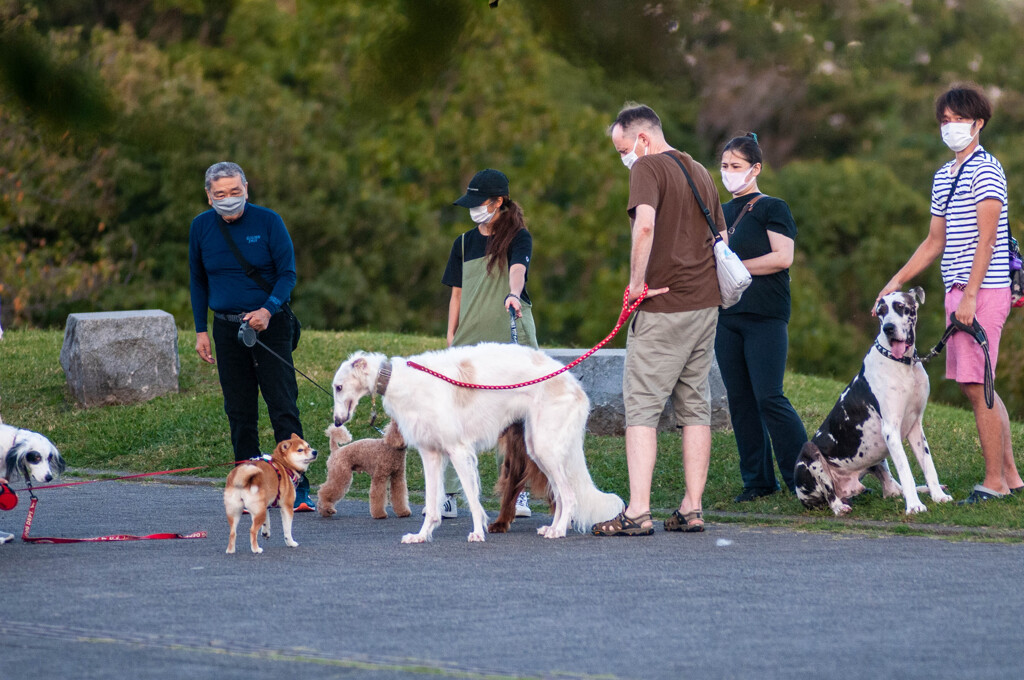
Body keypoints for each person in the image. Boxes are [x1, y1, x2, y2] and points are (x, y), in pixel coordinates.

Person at [876, 83, 1023, 504]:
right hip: (956, 289)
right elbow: (933, 242)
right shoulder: (944, 175)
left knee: (978, 385)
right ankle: (1010, 477)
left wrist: (973, 295)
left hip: (983, 290)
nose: (951, 127)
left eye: (959, 120)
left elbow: (988, 239)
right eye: (945, 120)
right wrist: (896, 282)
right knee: (975, 385)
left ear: (978, 123)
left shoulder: (987, 170)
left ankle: (994, 481)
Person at [591, 103, 724, 536]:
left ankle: (638, 510)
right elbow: (721, 236)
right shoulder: (700, 170)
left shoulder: (647, 169)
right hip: (705, 304)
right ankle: (692, 507)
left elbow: (643, 227)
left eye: (623, 148)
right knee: (695, 406)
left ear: (643, 139)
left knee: (642, 409)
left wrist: (635, 285)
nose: (624, 157)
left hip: (664, 305)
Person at [189, 161, 316, 511]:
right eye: (220, 194)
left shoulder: (268, 221)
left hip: (268, 325)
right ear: (209, 195)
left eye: (234, 192)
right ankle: (248, 487)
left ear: (246, 188)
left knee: (282, 404)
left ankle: (298, 488)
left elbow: (287, 274)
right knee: (240, 411)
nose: (228, 199)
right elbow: (198, 280)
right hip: (227, 328)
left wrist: (267, 309)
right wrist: (201, 329)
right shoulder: (200, 227)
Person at [429, 169, 539, 520]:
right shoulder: (462, 243)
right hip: (468, 342)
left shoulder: (519, 237)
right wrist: (451, 336)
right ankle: (447, 495)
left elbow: (518, 270)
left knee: (515, 422)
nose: (475, 210)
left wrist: (514, 293)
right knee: (453, 419)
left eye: (481, 204)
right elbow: (456, 294)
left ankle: (516, 493)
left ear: (499, 202)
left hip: (510, 336)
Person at [715, 133, 807, 501]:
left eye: (736, 166)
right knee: (740, 400)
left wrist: (736, 268)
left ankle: (805, 475)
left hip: (766, 315)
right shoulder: (720, 212)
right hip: (728, 315)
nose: (728, 173)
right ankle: (757, 480)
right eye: (724, 166)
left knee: (769, 396)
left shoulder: (773, 207)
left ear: (755, 169)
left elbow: (783, 257)